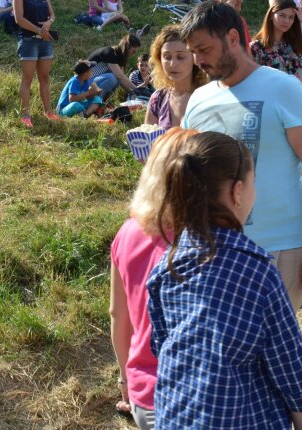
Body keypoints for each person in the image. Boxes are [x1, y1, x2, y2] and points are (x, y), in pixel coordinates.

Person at [146, 130, 302, 430]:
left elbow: (162, 348)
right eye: (254, 183)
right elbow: (293, 374)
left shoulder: (165, 268)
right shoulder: (257, 273)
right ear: (238, 192)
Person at [180, 1, 302, 310]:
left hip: (279, 248)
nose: (198, 60)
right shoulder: (199, 99)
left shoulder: (285, 89)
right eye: (193, 52)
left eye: (204, 49)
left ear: (233, 39)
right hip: (217, 247)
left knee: (271, 352)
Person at [109, 129, 192, 428]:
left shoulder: (127, 232)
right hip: (192, 392)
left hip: (144, 393)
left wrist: (124, 380)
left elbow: (119, 315)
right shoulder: (202, 241)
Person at [13, 0, 57, 126]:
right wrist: (38, 31)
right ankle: (25, 115)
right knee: (27, 79)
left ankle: (48, 112)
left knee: (45, 78)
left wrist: (48, 24)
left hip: (46, 41)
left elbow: (52, 15)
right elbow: (19, 19)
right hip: (28, 41)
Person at [144, 25, 208, 129]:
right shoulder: (157, 99)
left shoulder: (209, 96)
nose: (173, 64)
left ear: (194, 58)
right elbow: (146, 141)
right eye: (167, 57)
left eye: (180, 57)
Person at [250, 0, 302, 82]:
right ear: (271, 16)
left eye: (291, 17)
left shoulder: (294, 44)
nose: (286, 21)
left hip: (297, 94)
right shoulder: (256, 47)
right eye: (282, 15)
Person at [86, 32, 143, 100]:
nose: (133, 54)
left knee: (117, 80)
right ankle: (95, 101)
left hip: (95, 82)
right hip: (85, 83)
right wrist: (137, 89)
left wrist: (133, 93)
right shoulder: (109, 52)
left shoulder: (119, 57)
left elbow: (121, 81)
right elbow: (120, 76)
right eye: (133, 52)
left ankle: (102, 101)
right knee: (112, 78)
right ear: (127, 47)